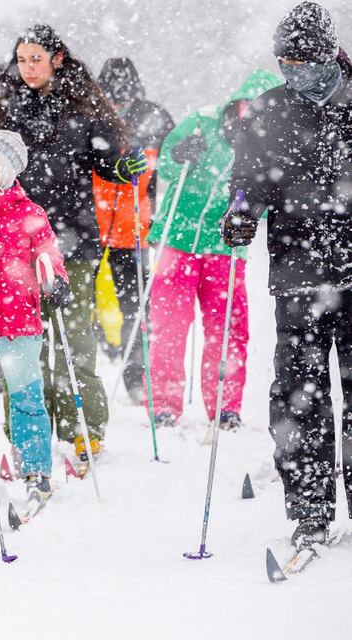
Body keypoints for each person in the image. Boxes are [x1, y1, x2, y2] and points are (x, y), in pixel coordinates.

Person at [223, 2, 352, 549]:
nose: (291, 70)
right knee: (298, 394)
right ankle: (310, 508)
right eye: (283, 62)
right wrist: (241, 212)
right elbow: (251, 181)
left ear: (327, 55)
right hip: (298, 273)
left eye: (300, 60)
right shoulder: (270, 110)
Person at [3, 25, 147, 463]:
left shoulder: (82, 109)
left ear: (57, 59)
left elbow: (106, 162)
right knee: (22, 340)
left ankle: (83, 427)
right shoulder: (10, 108)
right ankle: (25, 429)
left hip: (73, 239)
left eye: (36, 59)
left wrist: (122, 168)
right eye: (22, 59)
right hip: (19, 242)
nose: (28, 68)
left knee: (71, 336)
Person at [147, 70, 281, 430]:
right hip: (178, 239)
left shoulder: (269, 144)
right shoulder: (202, 122)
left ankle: (225, 407)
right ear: (236, 102)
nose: (251, 113)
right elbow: (166, 167)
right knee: (169, 327)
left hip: (225, 247)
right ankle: (165, 404)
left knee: (227, 329)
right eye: (247, 104)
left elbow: (268, 197)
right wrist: (177, 155)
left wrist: (250, 213)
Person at [0, 130, 69, 499]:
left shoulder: (29, 213)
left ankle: (35, 467)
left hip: (18, 322)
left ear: (9, 172)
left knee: (25, 395)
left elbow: (47, 252)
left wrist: (54, 277)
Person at [94, 57, 175, 402]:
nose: (117, 105)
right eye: (111, 99)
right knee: (87, 304)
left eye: (122, 99)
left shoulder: (154, 119)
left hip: (135, 230)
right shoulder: (92, 119)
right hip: (92, 229)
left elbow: (168, 168)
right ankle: (91, 371)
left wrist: (158, 210)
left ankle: (137, 377)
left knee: (136, 308)